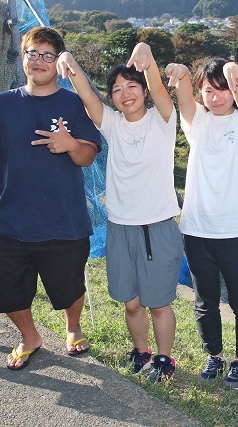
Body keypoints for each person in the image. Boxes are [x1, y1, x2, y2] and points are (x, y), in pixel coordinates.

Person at [0, 26, 101, 370]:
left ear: (58, 62)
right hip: (12, 218)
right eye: (32, 53)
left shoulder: (72, 103)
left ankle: (73, 326)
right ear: (23, 58)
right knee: (6, 286)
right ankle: (30, 336)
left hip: (64, 217)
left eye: (48, 55)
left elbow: (88, 155)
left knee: (69, 284)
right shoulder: (4, 104)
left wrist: (71, 145)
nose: (39, 61)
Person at [56, 43, 182, 382]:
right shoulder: (112, 124)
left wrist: (146, 54)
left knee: (158, 304)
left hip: (156, 226)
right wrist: (69, 61)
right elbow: (87, 96)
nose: (125, 94)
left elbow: (158, 87)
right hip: (120, 226)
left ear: (142, 90)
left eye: (131, 86)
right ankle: (141, 353)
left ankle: (165, 359)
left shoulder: (162, 119)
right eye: (117, 89)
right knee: (130, 302)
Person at [165, 58, 238, 389]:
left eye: (223, 90)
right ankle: (215, 355)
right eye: (209, 91)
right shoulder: (197, 122)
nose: (217, 97)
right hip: (196, 230)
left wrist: (237, 73)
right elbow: (183, 95)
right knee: (205, 300)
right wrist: (180, 75)